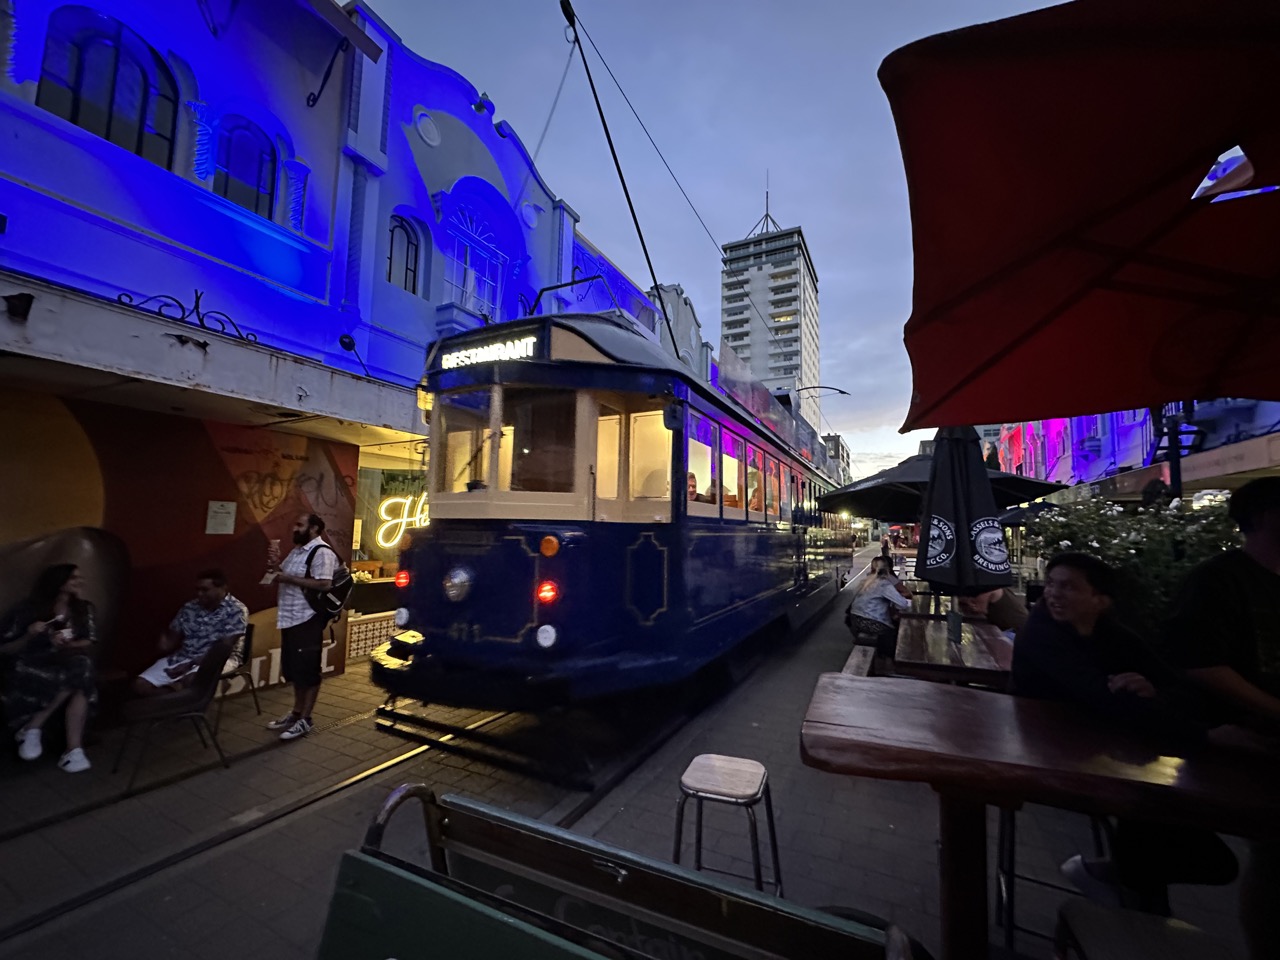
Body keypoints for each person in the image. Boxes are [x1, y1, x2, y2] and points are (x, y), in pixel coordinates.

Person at [1011, 552, 1235, 914]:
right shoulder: (1041, 634)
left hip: (1106, 752)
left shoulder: (1115, 635)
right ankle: (1124, 889)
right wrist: (1204, 736)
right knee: (1149, 801)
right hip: (1047, 759)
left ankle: (1123, 888)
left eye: (1068, 586)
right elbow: (1099, 697)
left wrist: (1152, 689)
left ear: (1100, 600)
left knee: (1150, 800)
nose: (1053, 593)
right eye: (1051, 583)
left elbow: (1177, 685)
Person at [1161, 478, 1280, 958]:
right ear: (1264, 517)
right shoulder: (1220, 579)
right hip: (1241, 741)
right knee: (1275, 858)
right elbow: (1200, 664)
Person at [1, 564, 98, 772]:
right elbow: (7, 646)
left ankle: (36, 728)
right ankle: (70, 749)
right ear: (59, 582)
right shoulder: (29, 608)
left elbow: (87, 641)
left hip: (65, 659)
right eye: (73, 578)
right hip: (32, 661)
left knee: (83, 666)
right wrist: (29, 633)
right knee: (82, 678)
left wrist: (65, 644)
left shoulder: (83, 608)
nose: (79, 582)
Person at [265, 513, 337, 741]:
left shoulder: (322, 552)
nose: (294, 528)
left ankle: (306, 718)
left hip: (307, 618)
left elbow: (324, 584)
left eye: (299, 524)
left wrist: (287, 579)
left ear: (314, 528)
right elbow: (283, 575)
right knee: (295, 670)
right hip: (289, 617)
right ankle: (296, 713)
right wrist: (275, 565)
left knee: (308, 670)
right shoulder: (297, 550)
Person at [132, 570, 248, 696]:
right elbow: (170, 642)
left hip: (218, 660)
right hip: (184, 656)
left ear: (222, 588)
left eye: (205, 590)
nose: (199, 594)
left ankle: (176, 705)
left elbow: (222, 650)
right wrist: (160, 640)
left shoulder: (236, 611)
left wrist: (188, 665)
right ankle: (173, 705)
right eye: (197, 589)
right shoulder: (189, 608)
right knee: (140, 685)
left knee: (191, 681)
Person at [846, 556, 912, 657]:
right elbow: (903, 604)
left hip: (854, 621)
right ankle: (887, 662)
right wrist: (899, 596)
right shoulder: (884, 584)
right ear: (888, 569)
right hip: (871, 623)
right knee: (897, 635)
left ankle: (880, 659)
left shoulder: (866, 581)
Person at [957, 587, 1029, 635]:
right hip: (1016, 629)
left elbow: (979, 610)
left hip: (1020, 632)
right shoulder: (994, 587)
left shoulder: (987, 590)